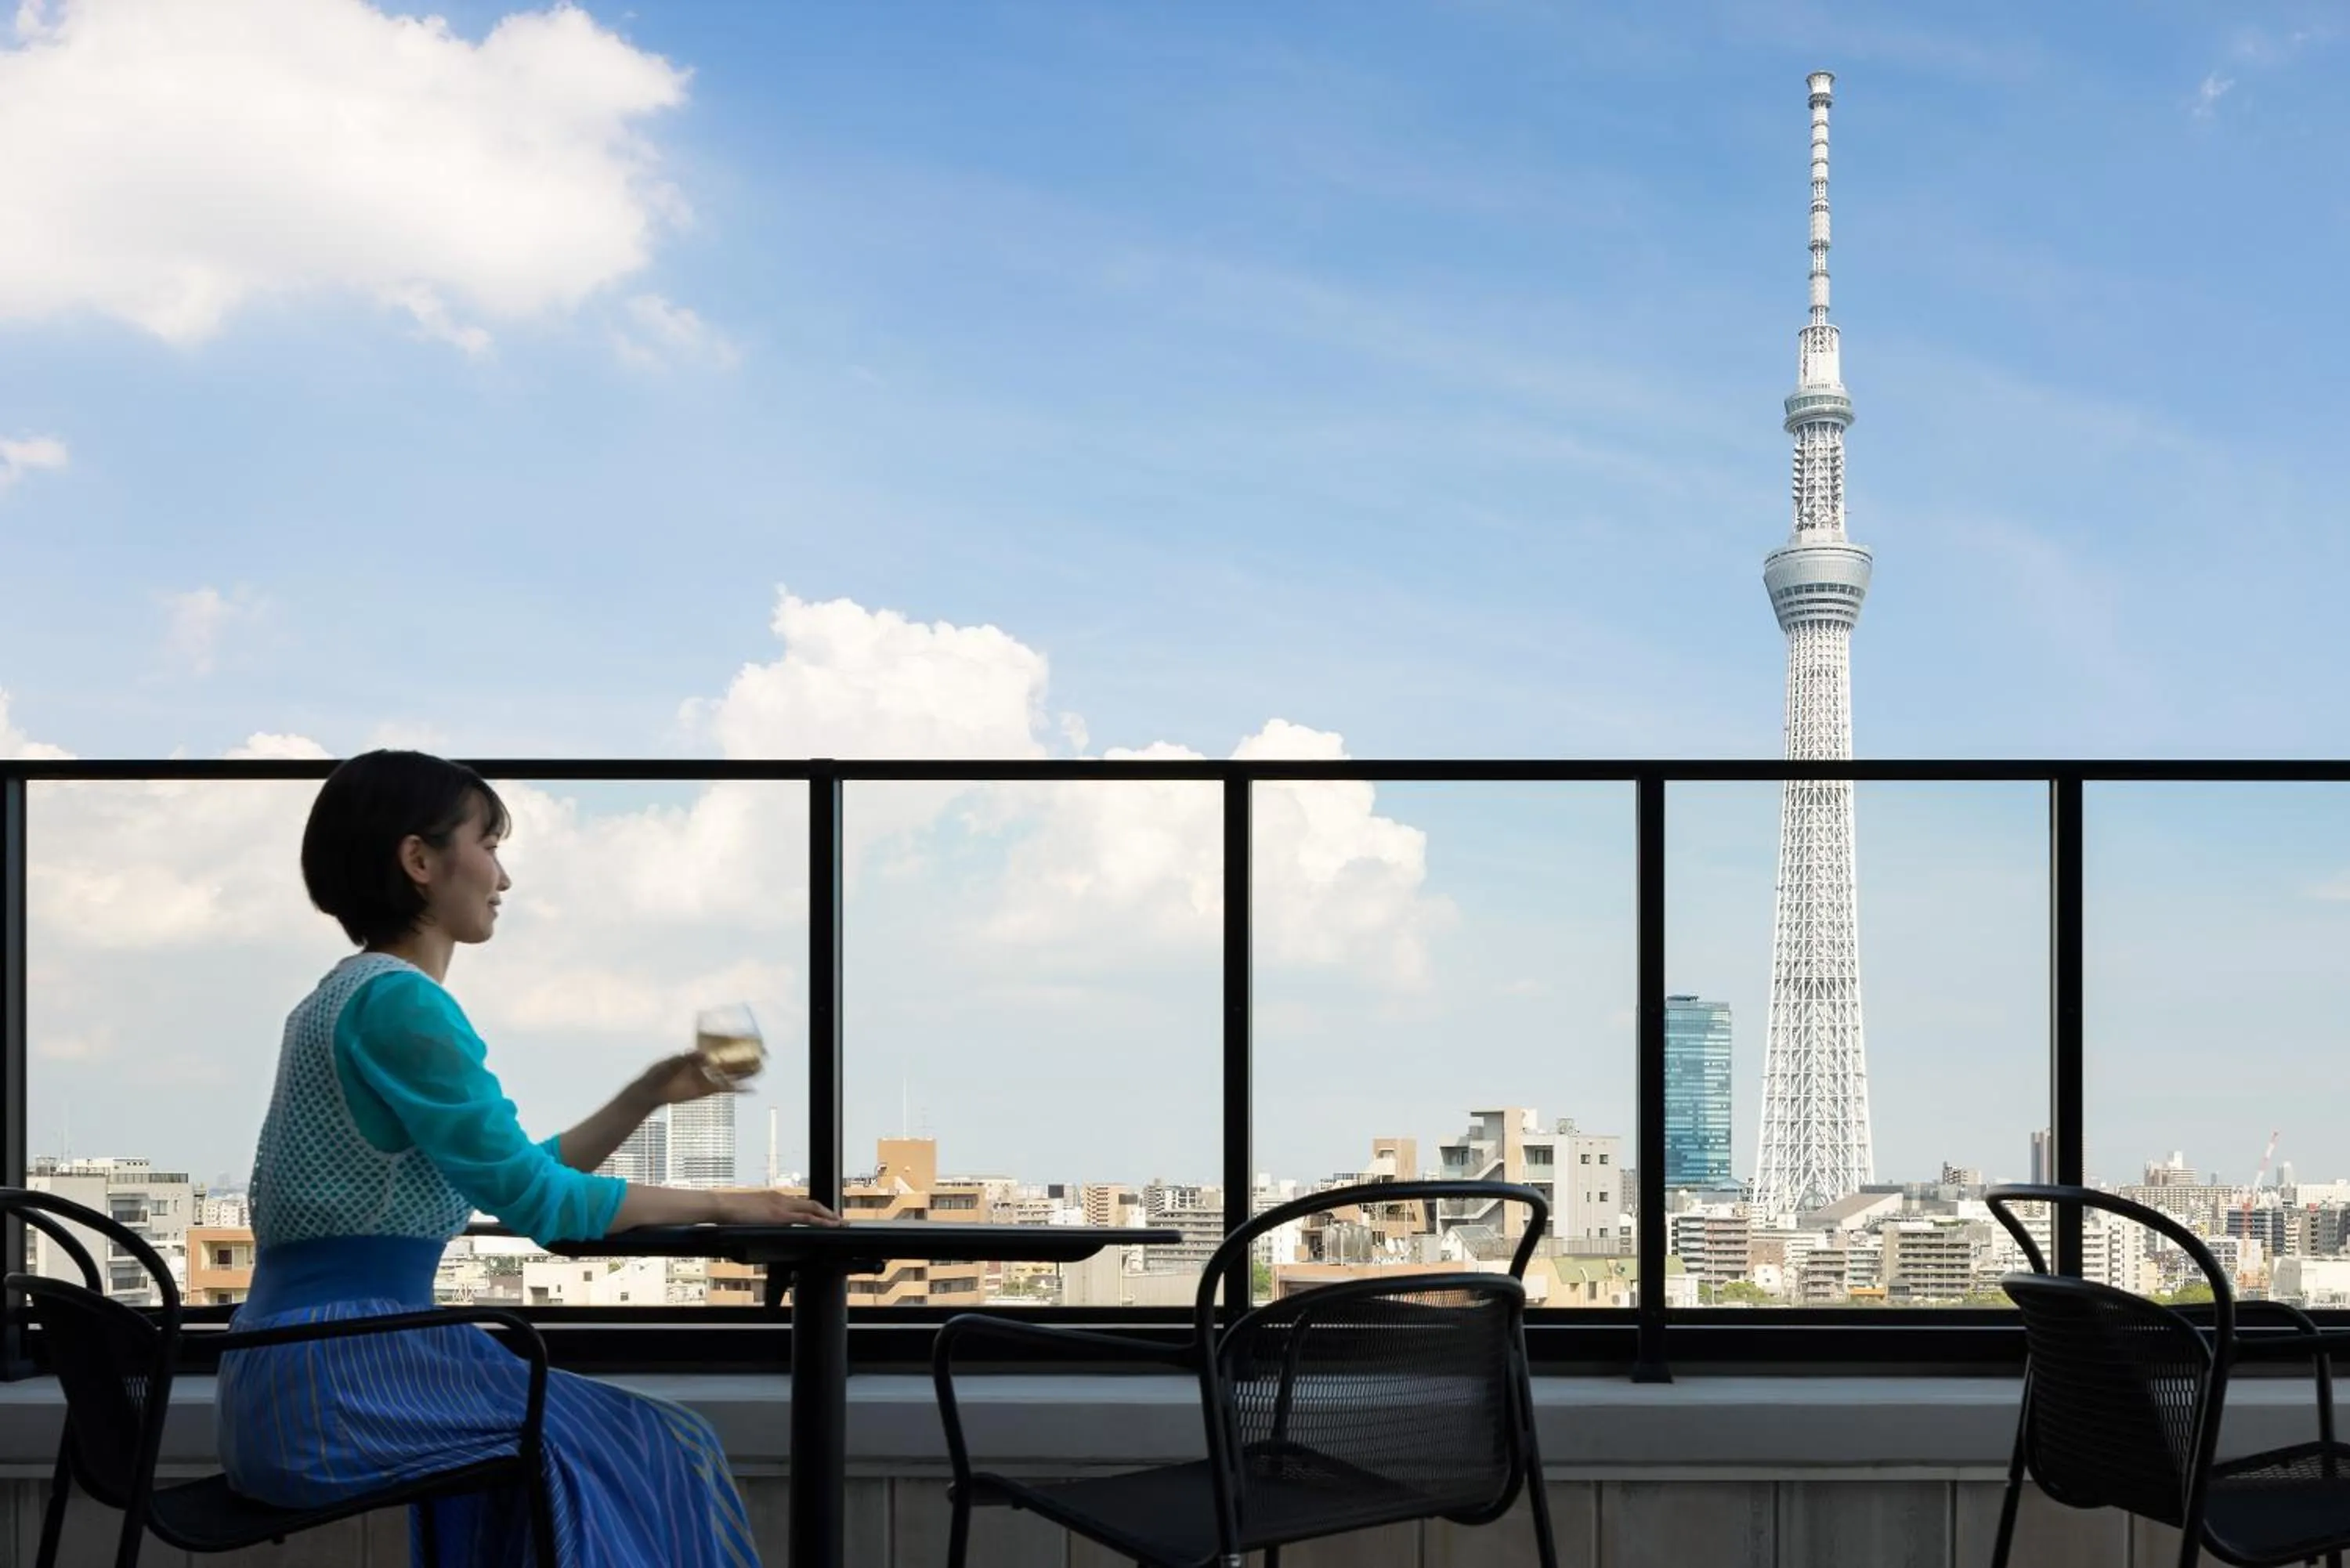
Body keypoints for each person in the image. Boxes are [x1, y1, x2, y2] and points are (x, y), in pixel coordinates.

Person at [217, 749, 838, 1566]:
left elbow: (520, 1177)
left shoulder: (337, 997)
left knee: (579, 1460)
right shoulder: (402, 1003)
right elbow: (540, 1201)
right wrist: (732, 1203)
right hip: (345, 1380)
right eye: (489, 846)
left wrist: (646, 1094)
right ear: (419, 860)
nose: (503, 877)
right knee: (669, 1443)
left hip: (292, 1378)